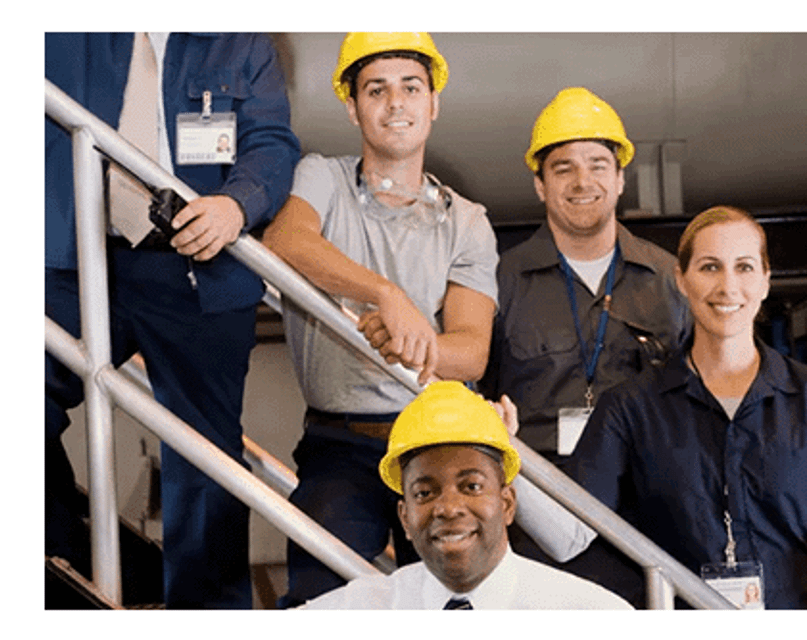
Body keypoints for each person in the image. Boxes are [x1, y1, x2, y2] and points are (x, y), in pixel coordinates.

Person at [44, 32, 301, 608]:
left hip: (194, 268)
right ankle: (64, 563)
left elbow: (272, 143)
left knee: (204, 459)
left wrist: (236, 204)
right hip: (74, 258)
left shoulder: (240, 43)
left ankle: (203, 608)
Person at [555, 206, 807, 609]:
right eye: (710, 267)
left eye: (744, 267)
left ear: (765, 281)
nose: (728, 287)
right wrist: (505, 449)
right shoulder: (629, 407)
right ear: (682, 280)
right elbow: (569, 536)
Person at [262, 33, 499, 607]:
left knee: (456, 597)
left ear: (433, 102)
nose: (396, 102)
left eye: (411, 87)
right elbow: (285, 239)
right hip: (339, 443)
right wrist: (386, 296)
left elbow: (470, 351)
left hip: (438, 443)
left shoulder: (466, 221)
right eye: (377, 89)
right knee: (320, 593)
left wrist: (412, 342)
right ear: (353, 106)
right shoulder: (322, 178)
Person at [478, 86, 689, 606]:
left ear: (620, 180)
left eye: (598, 164)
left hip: (648, 505)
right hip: (538, 510)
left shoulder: (669, 279)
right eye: (563, 167)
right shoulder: (499, 279)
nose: (582, 181)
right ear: (540, 184)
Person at [299, 381, 634, 610]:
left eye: (471, 486)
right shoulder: (359, 607)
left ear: (506, 504)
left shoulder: (588, 609)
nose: (447, 508)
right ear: (405, 516)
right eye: (425, 492)